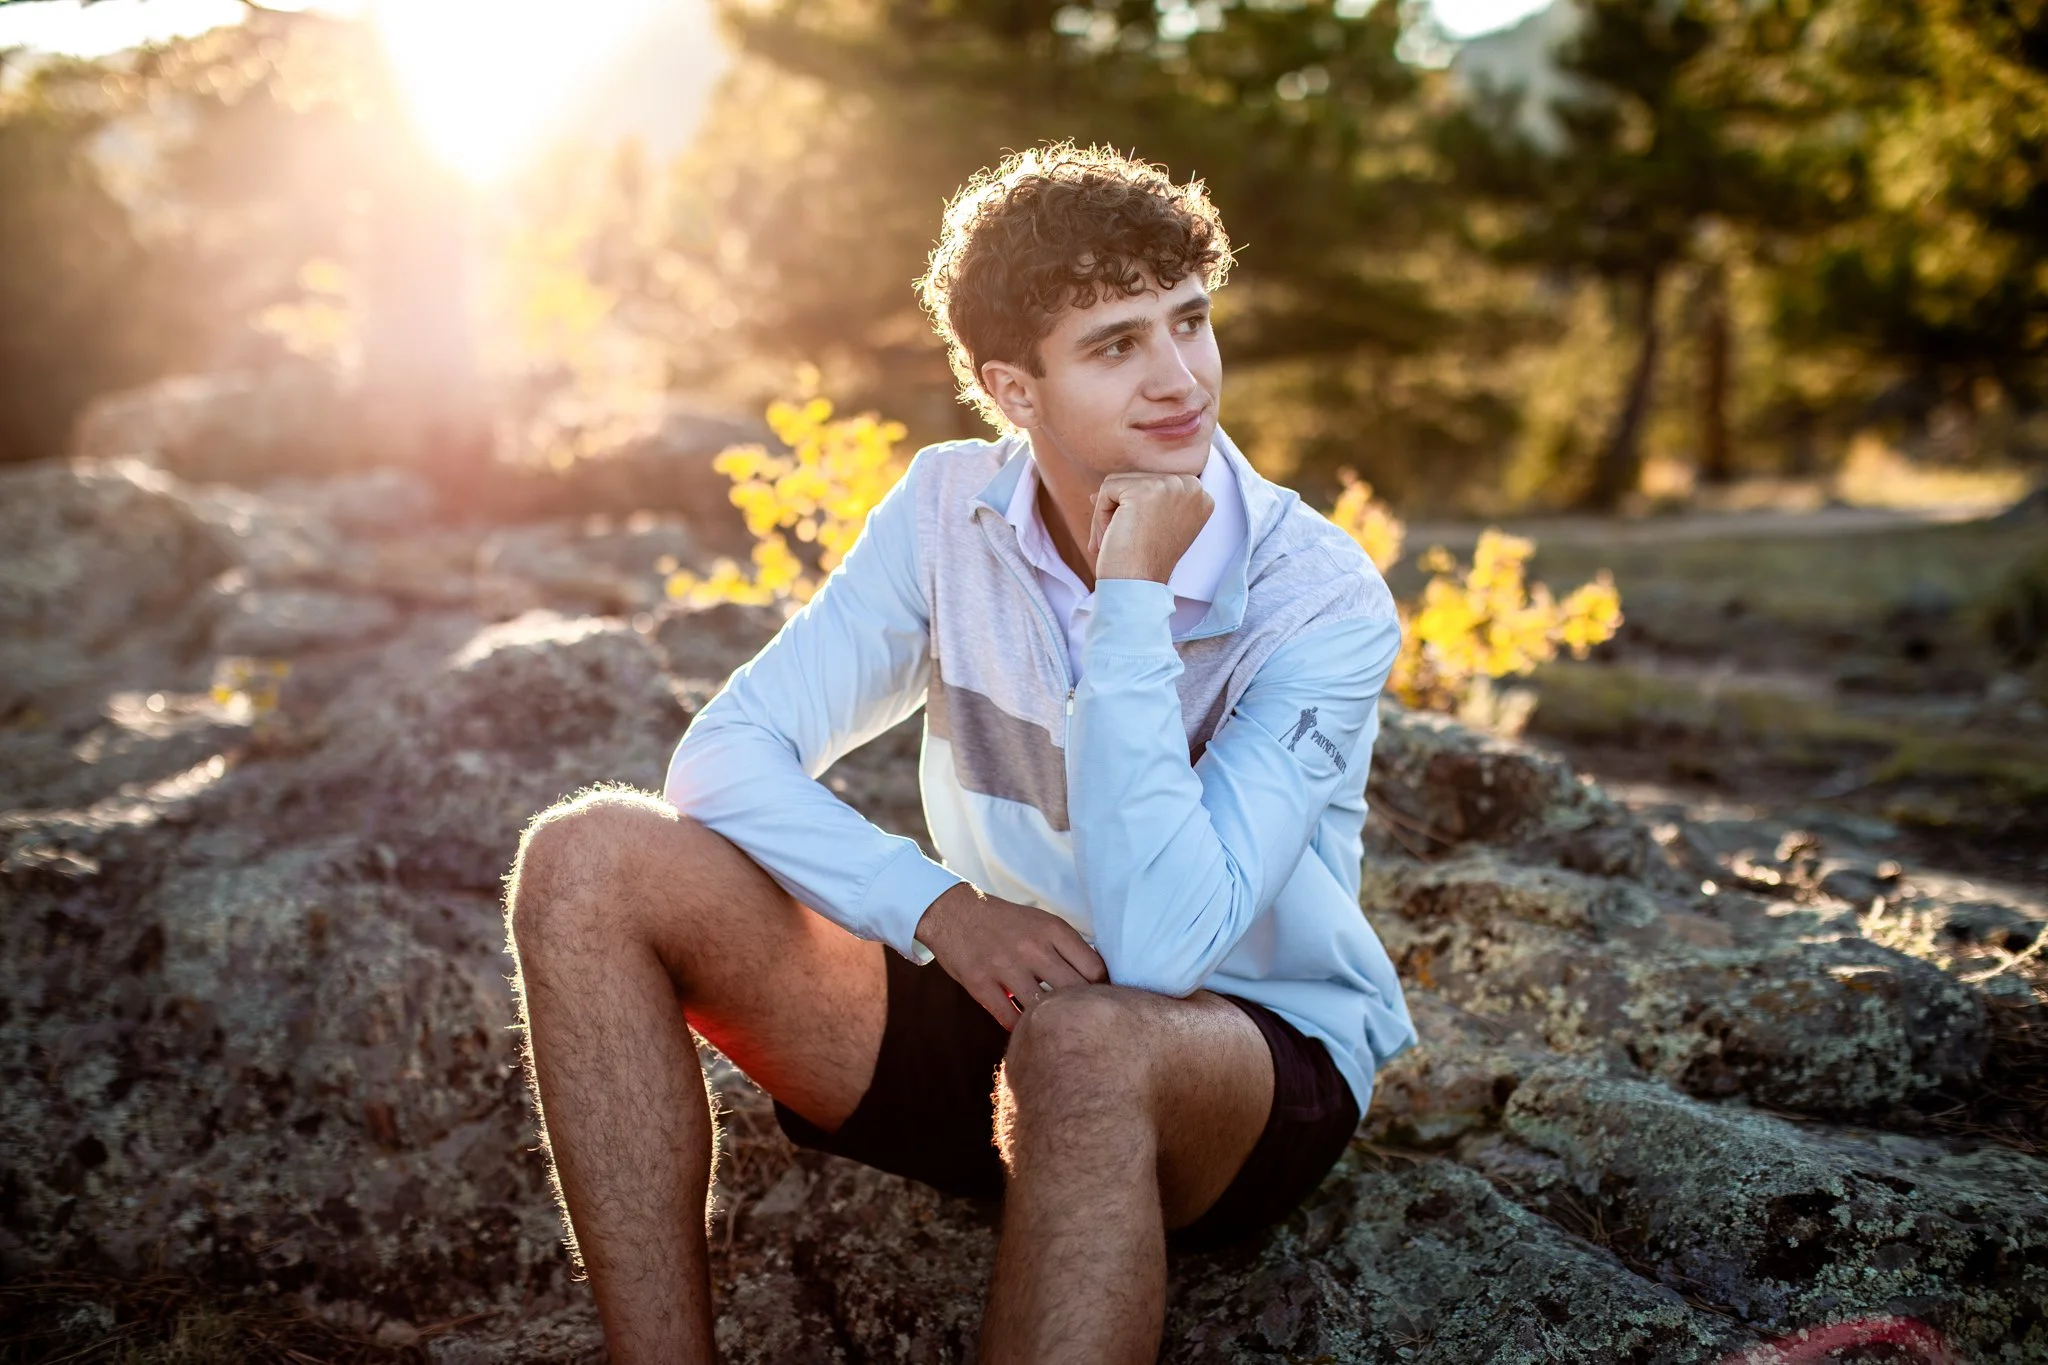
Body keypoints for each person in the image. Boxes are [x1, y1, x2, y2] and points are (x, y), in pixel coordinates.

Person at [501, 140, 1419, 1364]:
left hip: (1236, 1067)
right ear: (1012, 390)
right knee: (587, 858)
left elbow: (1161, 951)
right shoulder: (946, 510)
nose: (1178, 378)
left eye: (1189, 322)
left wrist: (1130, 599)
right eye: (1115, 345)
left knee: (1088, 1042)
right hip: (1001, 1011)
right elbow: (725, 756)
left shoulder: (1319, 599)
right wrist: (939, 911)